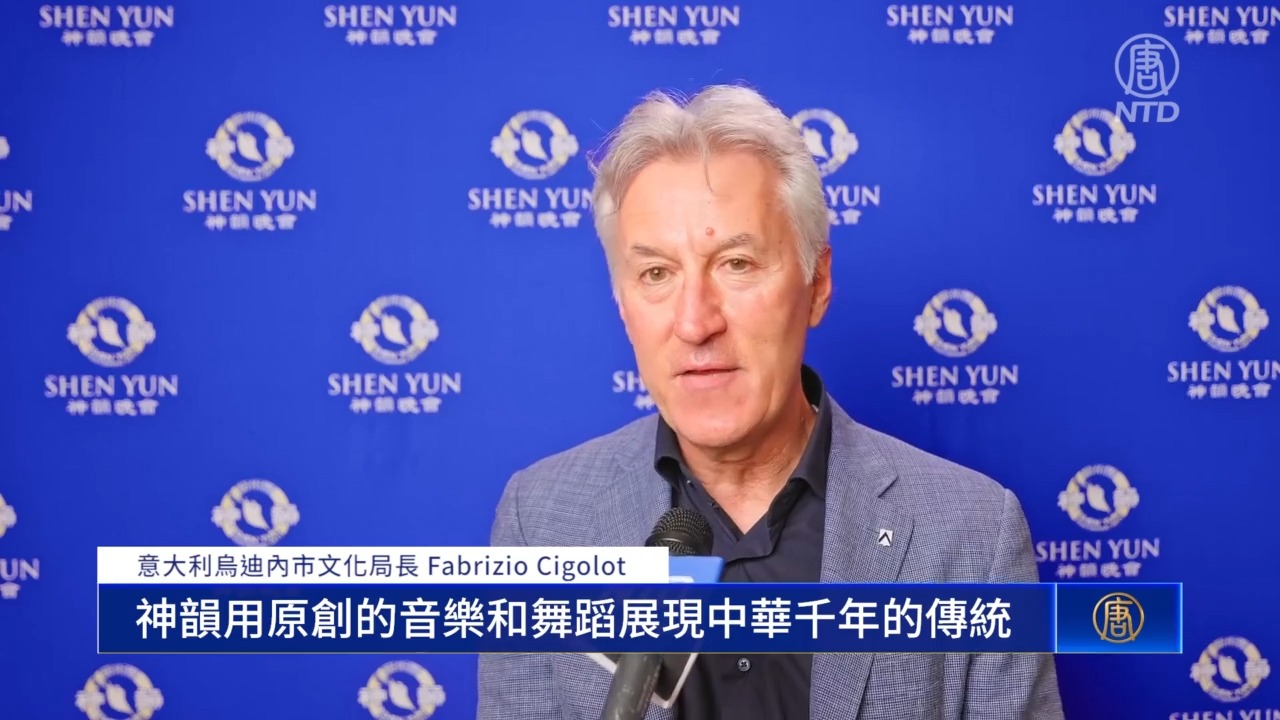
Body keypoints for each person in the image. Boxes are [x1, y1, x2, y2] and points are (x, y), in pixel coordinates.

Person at [477, 84, 1064, 720]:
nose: (695, 322)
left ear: (817, 284)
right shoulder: (541, 522)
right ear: (622, 305)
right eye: (656, 274)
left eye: (736, 264)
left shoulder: (972, 534)